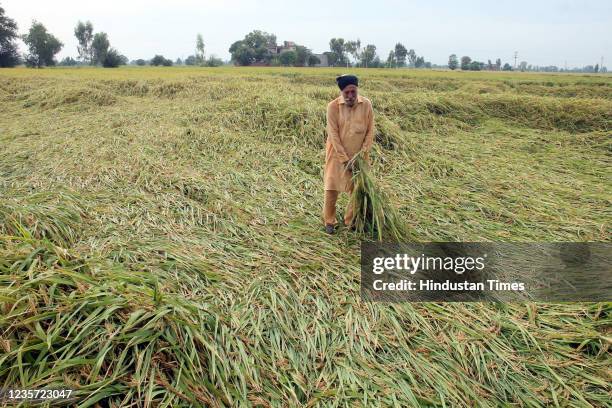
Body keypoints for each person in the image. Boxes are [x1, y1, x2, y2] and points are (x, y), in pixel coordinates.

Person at [323, 74, 375, 234]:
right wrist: (345, 159)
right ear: (341, 92)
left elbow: (370, 131)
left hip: (359, 156)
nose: (351, 96)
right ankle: (329, 221)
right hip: (337, 156)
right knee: (331, 188)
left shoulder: (366, 104)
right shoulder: (332, 107)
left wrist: (361, 154)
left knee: (356, 189)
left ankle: (350, 220)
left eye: (353, 92)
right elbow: (333, 135)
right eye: (347, 93)